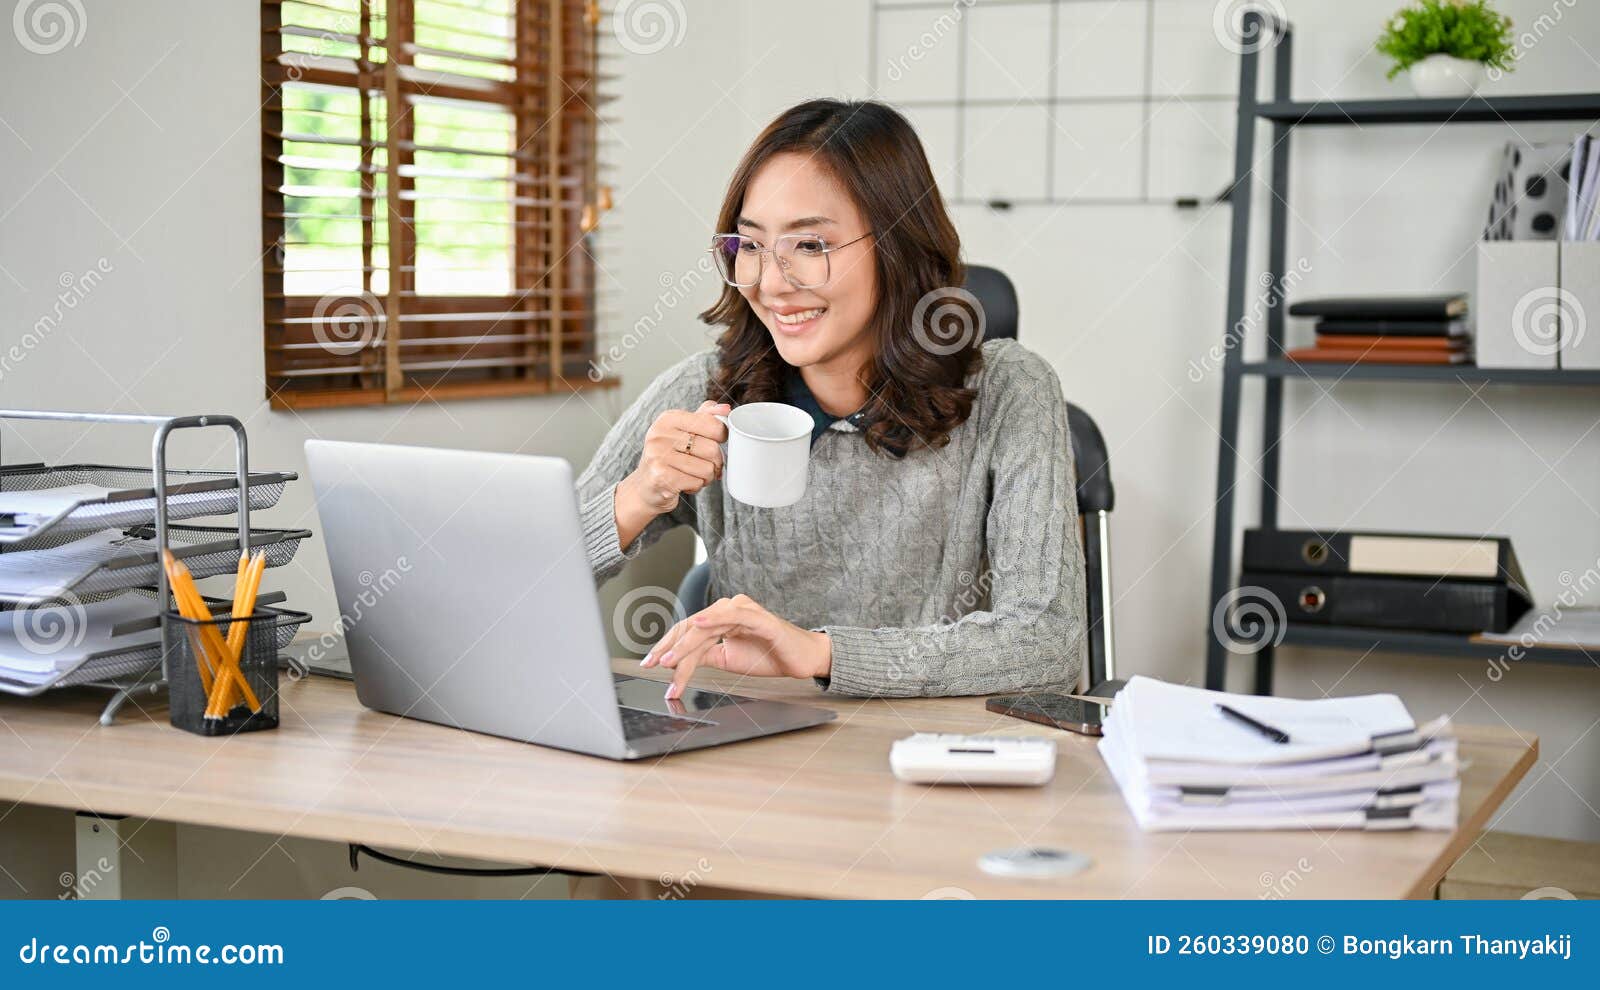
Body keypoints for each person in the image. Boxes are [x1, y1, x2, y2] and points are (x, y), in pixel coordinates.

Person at [576, 98, 1085, 701]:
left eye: (810, 246)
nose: (771, 283)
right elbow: (525, 578)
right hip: (751, 747)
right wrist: (639, 496)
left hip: (935, 756)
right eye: (752, 245)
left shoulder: (1010, 392)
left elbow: (1049, 644)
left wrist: (818, 652)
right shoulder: (704, 390)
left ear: (898, 246)